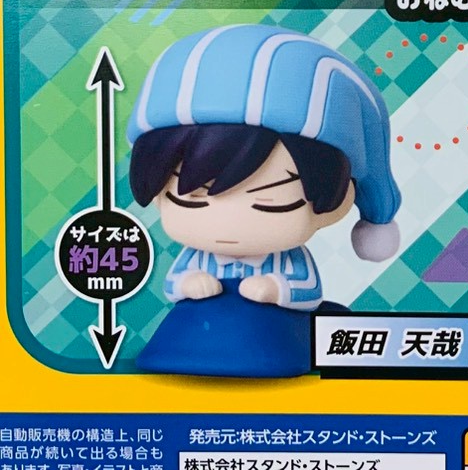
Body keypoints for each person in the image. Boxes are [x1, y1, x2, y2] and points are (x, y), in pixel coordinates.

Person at [127, 23, 401, 376]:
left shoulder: (289, 261)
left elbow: (307, 288)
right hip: (189, 338)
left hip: (278, 340)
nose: (227, 222)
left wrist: (275, 290)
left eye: (270, 202)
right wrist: (187, 285)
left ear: (339, 199)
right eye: (191, 200)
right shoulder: (195, 257)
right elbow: (175, 281)